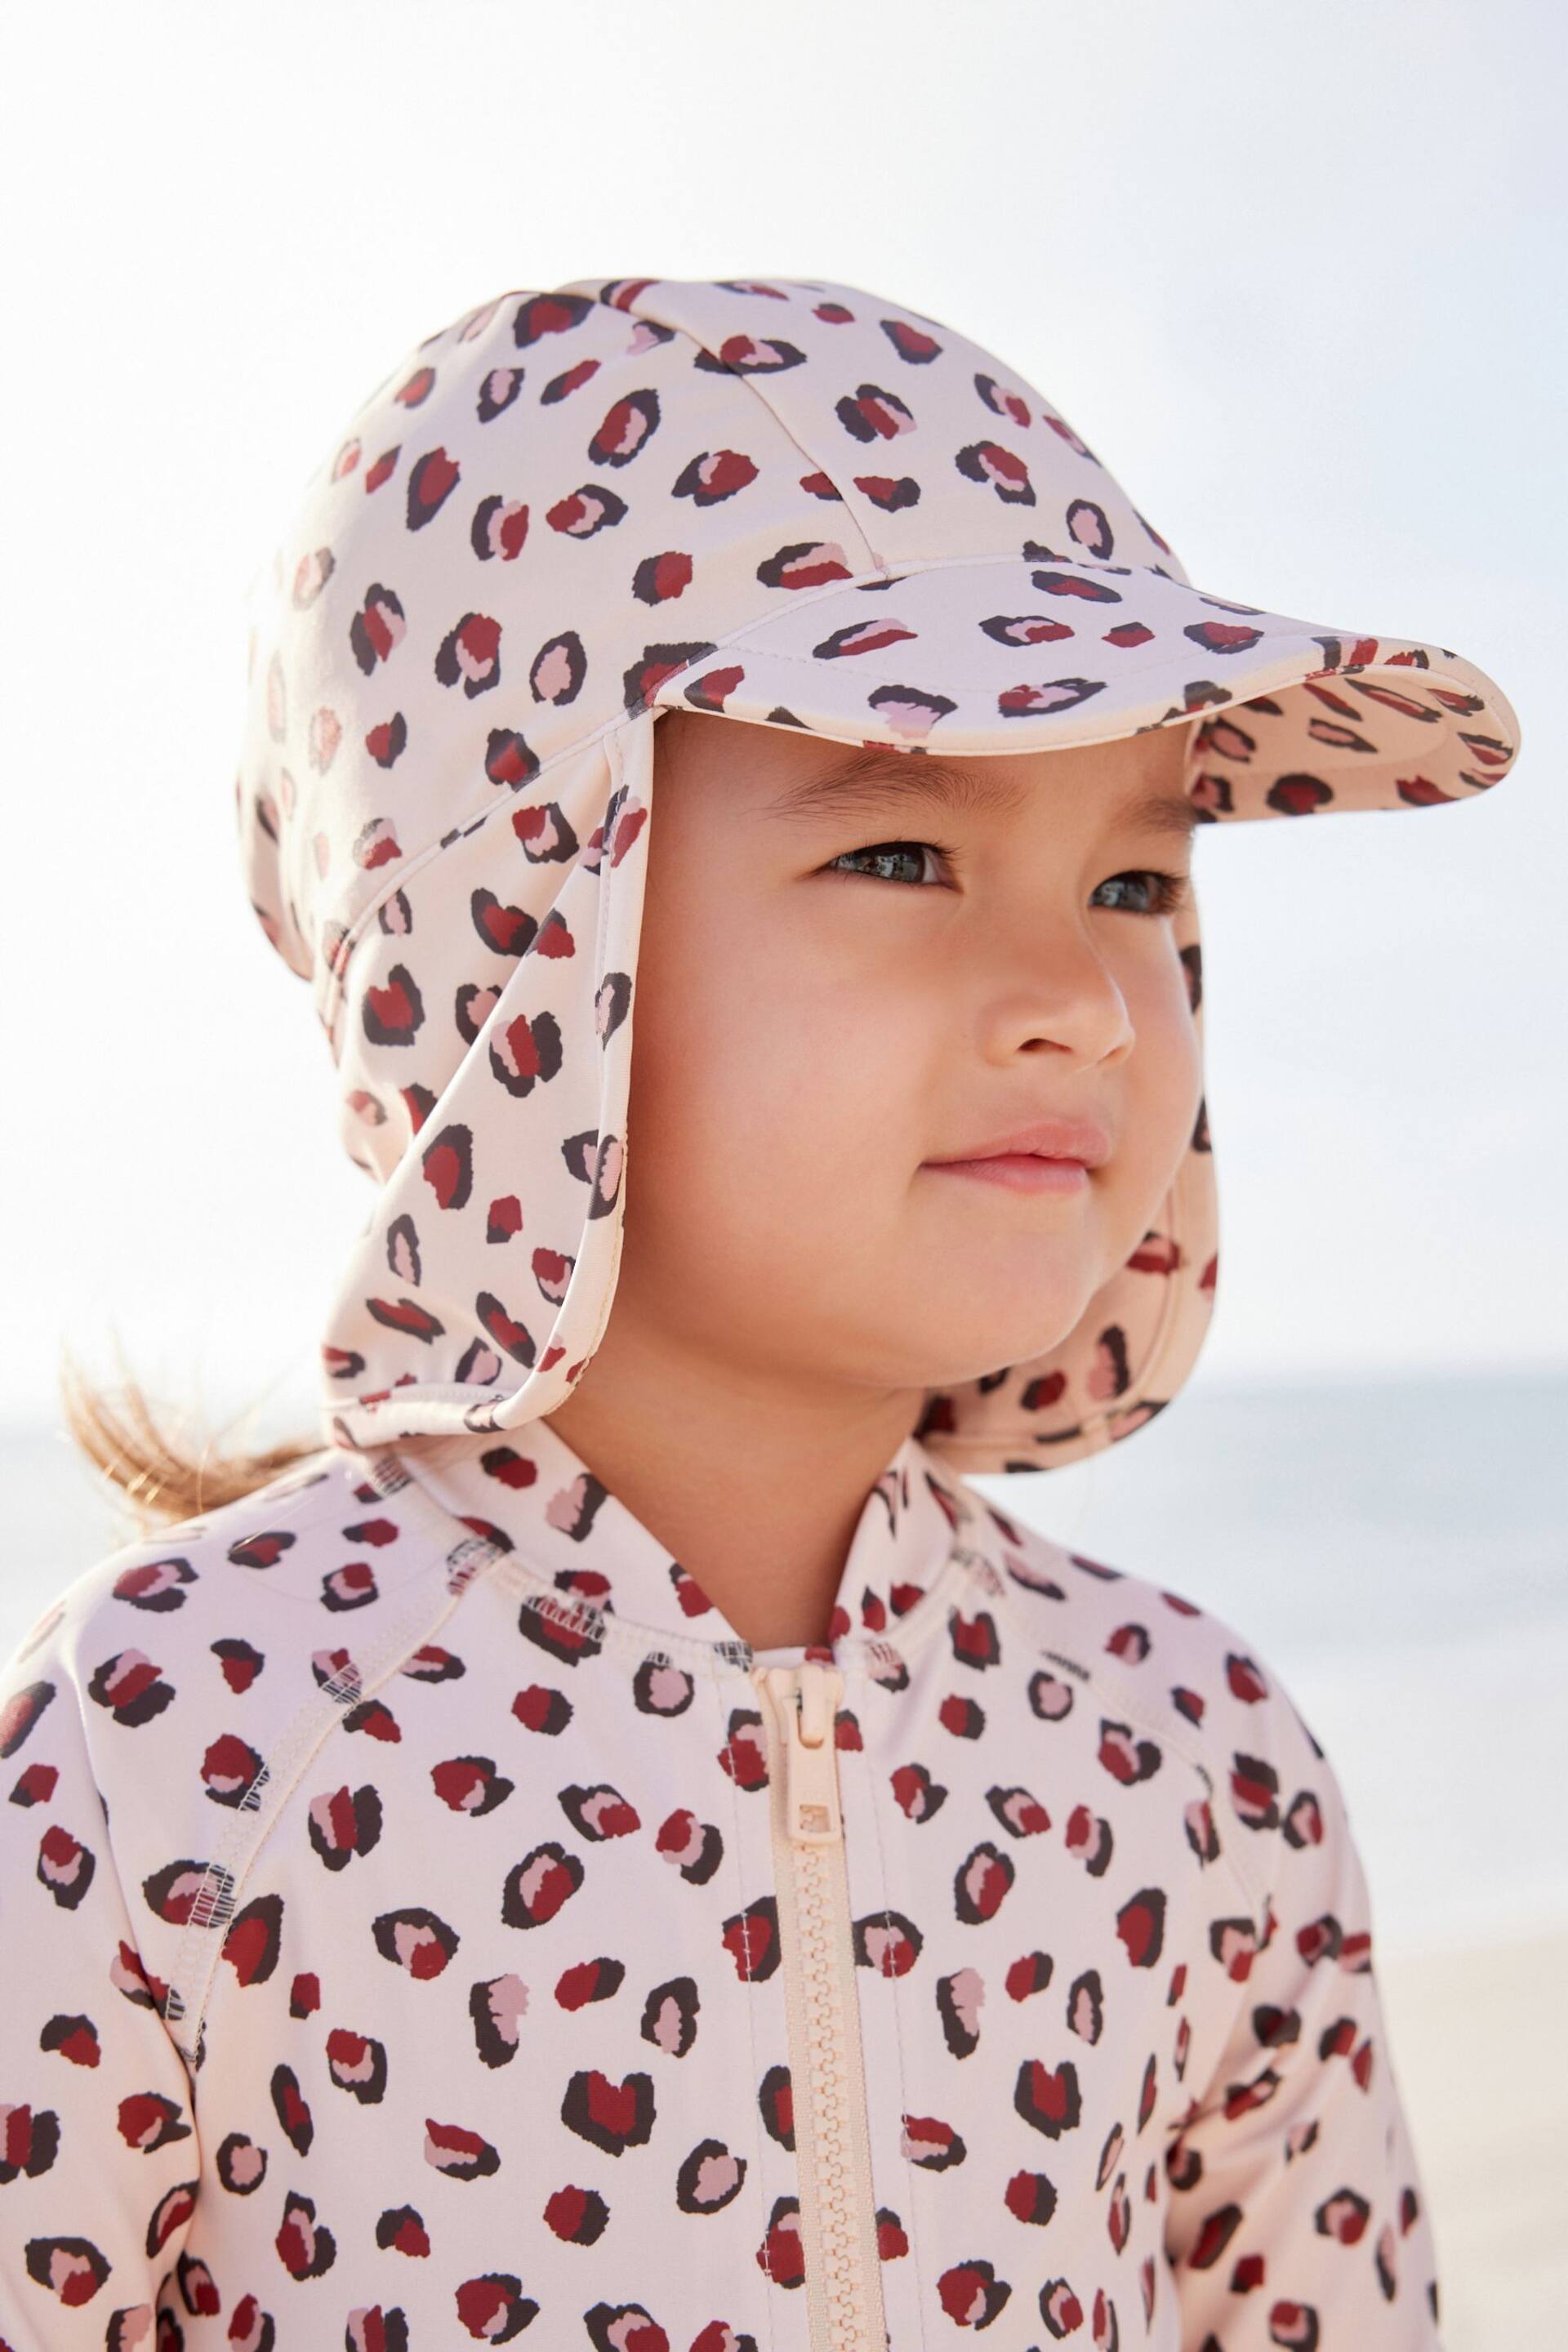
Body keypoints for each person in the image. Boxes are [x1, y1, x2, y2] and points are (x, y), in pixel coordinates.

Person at [1, 272, 1521, 2349]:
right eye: (902, 853)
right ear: (517, 951)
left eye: (1141, 886)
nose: (1082, 1000)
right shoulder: (172, 1752)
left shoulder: (1201, 1762)